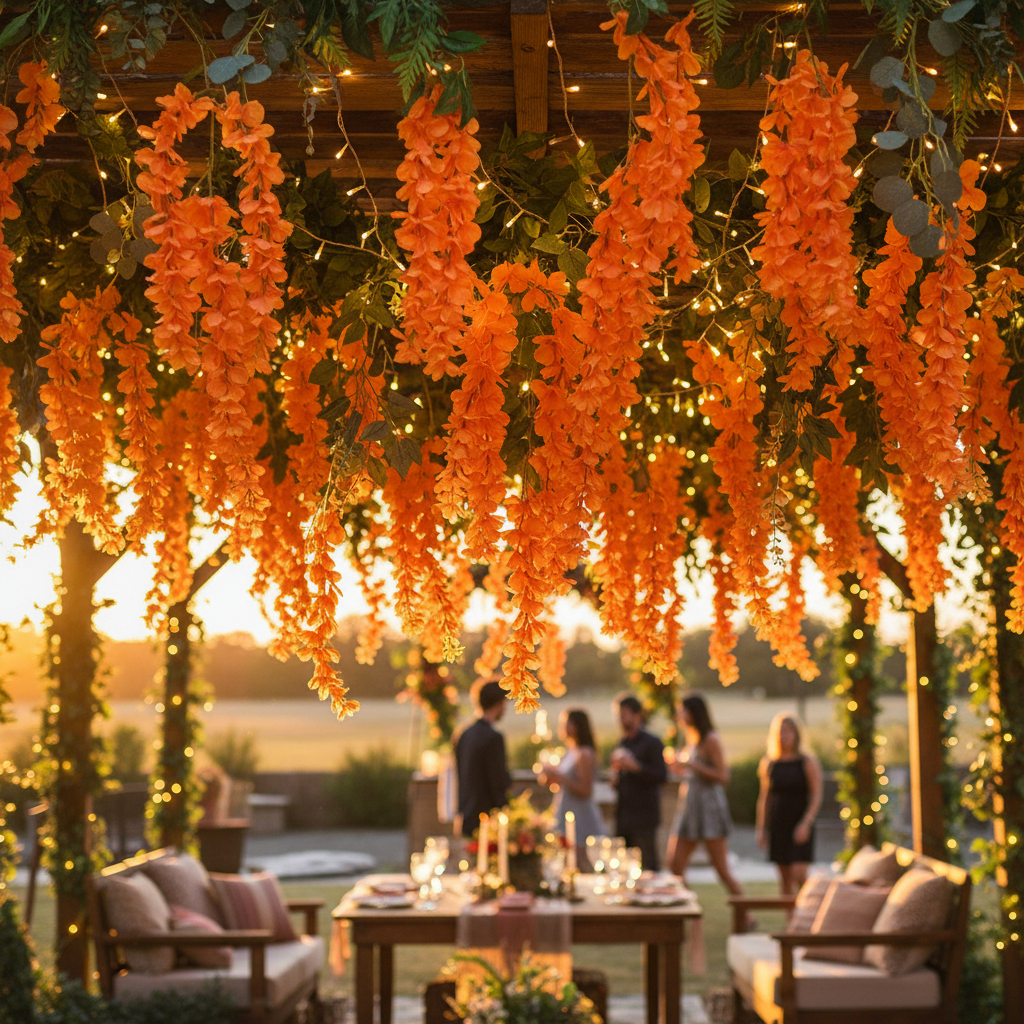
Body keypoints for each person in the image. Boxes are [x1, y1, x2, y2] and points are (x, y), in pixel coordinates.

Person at [666, 694, 744, 899]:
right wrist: (679, 768)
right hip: (690, 807)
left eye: (683, 710)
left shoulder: (711, 739)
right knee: (674, 864)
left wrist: (692, 765)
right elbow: (694, 773)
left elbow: (723, 775)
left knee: (722, 870)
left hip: (709, 809)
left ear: (694, 712)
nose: (680, 715)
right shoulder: (691, 738)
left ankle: (745, 915)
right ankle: (689, 908)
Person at [756, 712, 824, 894]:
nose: (783, 736)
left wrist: (806, 822)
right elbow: (765, 798)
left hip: (800, 821)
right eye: (780, 731)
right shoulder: (770, 763)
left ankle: (810, 910)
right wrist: (761, 828)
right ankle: (791, 921)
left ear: (796, 734)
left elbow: (816, 794)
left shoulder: (806, 761)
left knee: (799, 874)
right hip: (778, 823)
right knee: (785, 878)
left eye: (788, 731)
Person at [537, 709, 604, 868]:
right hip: (565, 810)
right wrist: (549, 777)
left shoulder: (584, 754)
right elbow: (561, 785)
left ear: (575, 726)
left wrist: (559, 776)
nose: (562, 727)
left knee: (582, 863)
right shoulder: (570, 752)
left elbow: (586, 790)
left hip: (580, 816)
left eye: (565, 722)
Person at [610, 693, 667, 870]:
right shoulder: (623, 743)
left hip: (644, 816)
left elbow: (661, 776)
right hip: (624, 815)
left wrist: (635, 767)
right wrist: (615, 777)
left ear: (637, 715)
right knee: (624, 866)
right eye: (618, 715)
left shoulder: (652, 742)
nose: (620, 719)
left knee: (648, 866)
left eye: (624, 714)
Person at [454, 678, 512, 836]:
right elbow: (498, 781)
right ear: (499, 703)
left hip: (467, 814)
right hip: (487, 819)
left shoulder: (463, 735)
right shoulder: (493, 738)